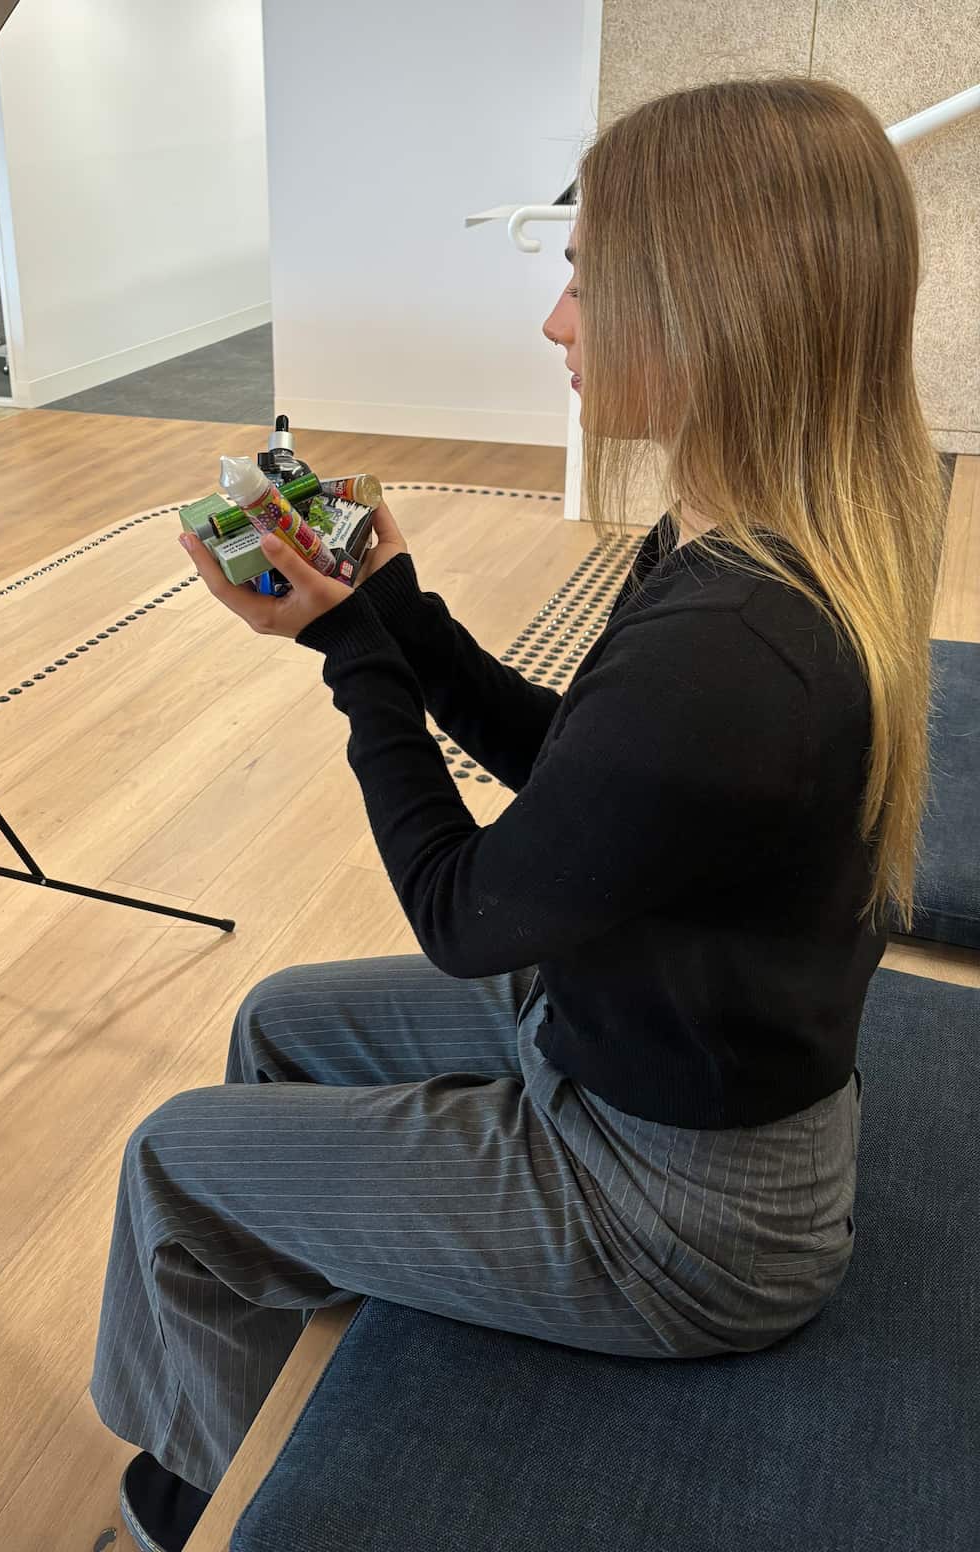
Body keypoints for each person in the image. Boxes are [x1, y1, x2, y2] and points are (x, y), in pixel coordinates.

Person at [89, 75, 948, 1552]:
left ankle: (208, 1497)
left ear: (712, 307)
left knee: (173, 1156)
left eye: (583, 279)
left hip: (690, 1216)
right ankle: (325, 1320)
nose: (557, 322)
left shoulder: (734, 649)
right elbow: (588, 775)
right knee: (282, 1020)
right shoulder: (762, 536)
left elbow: (466, 914)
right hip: (651, 1058)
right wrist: (400, 607)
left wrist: (344, 647)